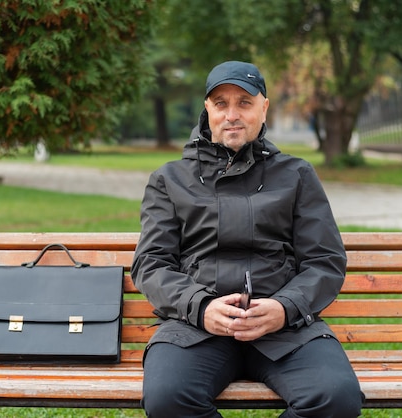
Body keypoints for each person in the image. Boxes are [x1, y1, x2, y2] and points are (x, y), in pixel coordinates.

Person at [131, 60, 364, 417]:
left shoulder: (297, 175)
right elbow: (151, 264)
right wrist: (202, 307)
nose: (232, 114)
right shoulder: (169, 180)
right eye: (221, 104)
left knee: (335, 396)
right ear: (207, 109)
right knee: (168, 398)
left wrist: (284, 308)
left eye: (244, 102)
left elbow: (325, 262)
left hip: (284, 330)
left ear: (264, 107)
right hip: (196, 328)